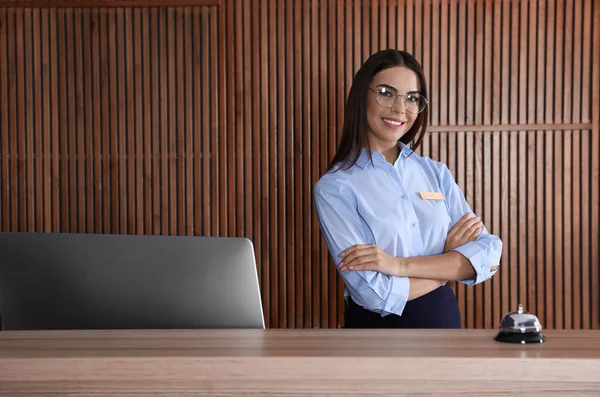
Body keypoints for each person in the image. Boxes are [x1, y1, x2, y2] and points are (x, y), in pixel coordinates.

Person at [313, 49, 502, 329]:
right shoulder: (336, 186)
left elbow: (488, 255)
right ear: (360, 97)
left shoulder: (435, 173)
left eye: (412, 98)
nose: (401, 108)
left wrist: (397, 266)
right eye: (387, 93)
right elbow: (374, 294)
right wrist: (447, 263)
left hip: (445, 327)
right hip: (378, 337)